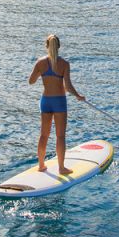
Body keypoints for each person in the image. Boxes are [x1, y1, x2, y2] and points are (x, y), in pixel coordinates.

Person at [28, 34, 85, 175]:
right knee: (60, 136)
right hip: (59, 102)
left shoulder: (40, 63)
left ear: (46, 46)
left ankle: (41, 165)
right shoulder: (64, 64)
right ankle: (61, 168)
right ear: (59, 46)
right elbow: (68, 86)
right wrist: (78, 95)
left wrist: (41, 74)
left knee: (44, 135)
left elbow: (31, 81)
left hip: (46, 101)